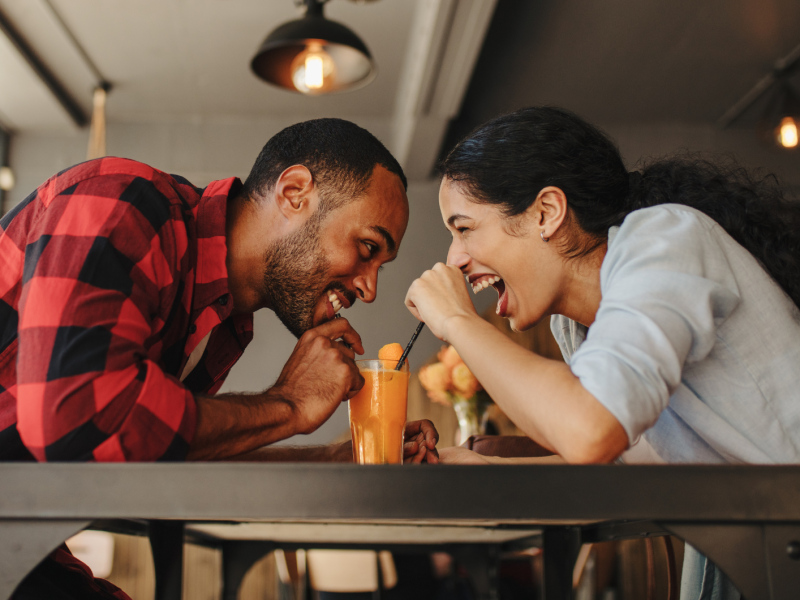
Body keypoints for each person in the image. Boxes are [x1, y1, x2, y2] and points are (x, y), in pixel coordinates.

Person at [1, 118, 438, 599]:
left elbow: (159, 453)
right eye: (367, 248)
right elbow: (77, 423)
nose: (369, 289)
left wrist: (332, 459)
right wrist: (289, 405)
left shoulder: (224, 321)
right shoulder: (122, 200)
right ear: (294, 192)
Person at [404, 106, 800, 600]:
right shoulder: (576, 326)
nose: (453, 259)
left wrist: (457, 321)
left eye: (463, 228)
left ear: (546, 212)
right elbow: (620, 463)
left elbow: (589, 432)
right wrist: (487, 472)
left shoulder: (665, 238)